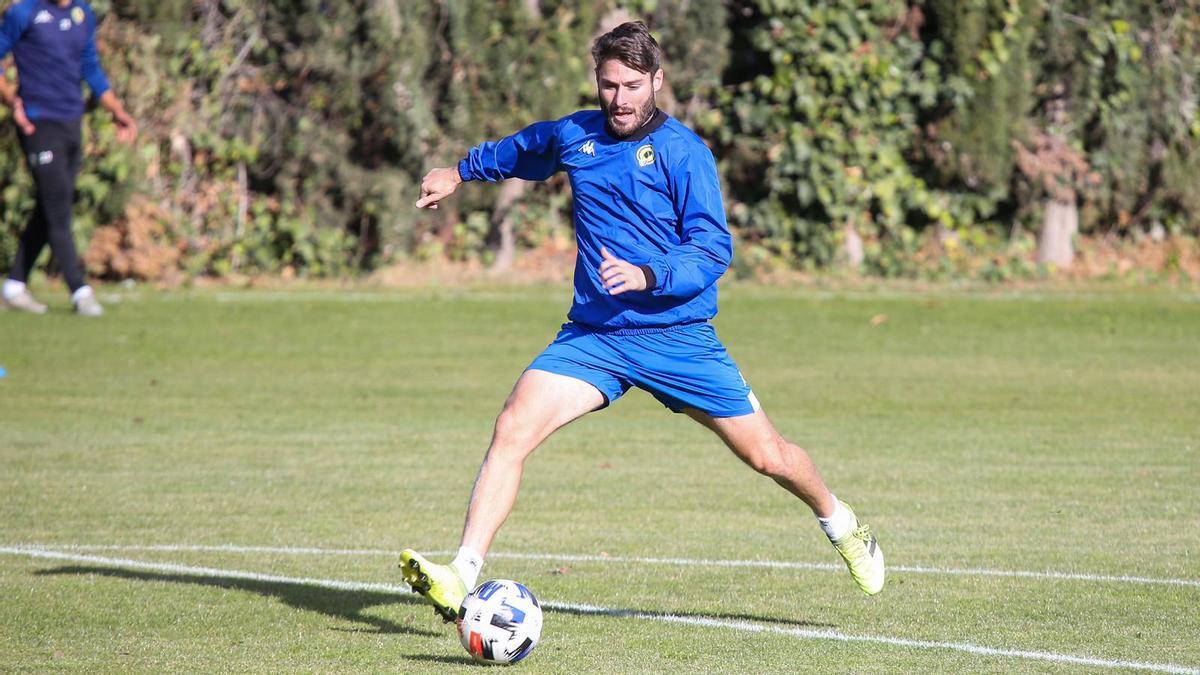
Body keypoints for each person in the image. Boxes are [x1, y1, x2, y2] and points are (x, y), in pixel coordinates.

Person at [401, 21, 884, 622]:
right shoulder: (576, 133)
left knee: (768, 456)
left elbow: (712, 249)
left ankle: (842, 524)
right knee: (513, 427)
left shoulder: (685, 152)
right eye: (609, 85)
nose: (620, 99)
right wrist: (460, 172)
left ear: (657, 81)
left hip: (678, 337)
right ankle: (462, 573)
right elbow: (523, 150)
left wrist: (650, 275)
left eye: (632, 85)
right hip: (597, 337)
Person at [0, 0, 137, 316]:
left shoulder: (81, 14)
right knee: (58, 207)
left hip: (71, 124)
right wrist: (12, 101)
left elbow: (90, 66)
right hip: (37, 123)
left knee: (51, 207)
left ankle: (15, 285)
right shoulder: (24, 13)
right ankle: (80, 291)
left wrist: (116, 110)